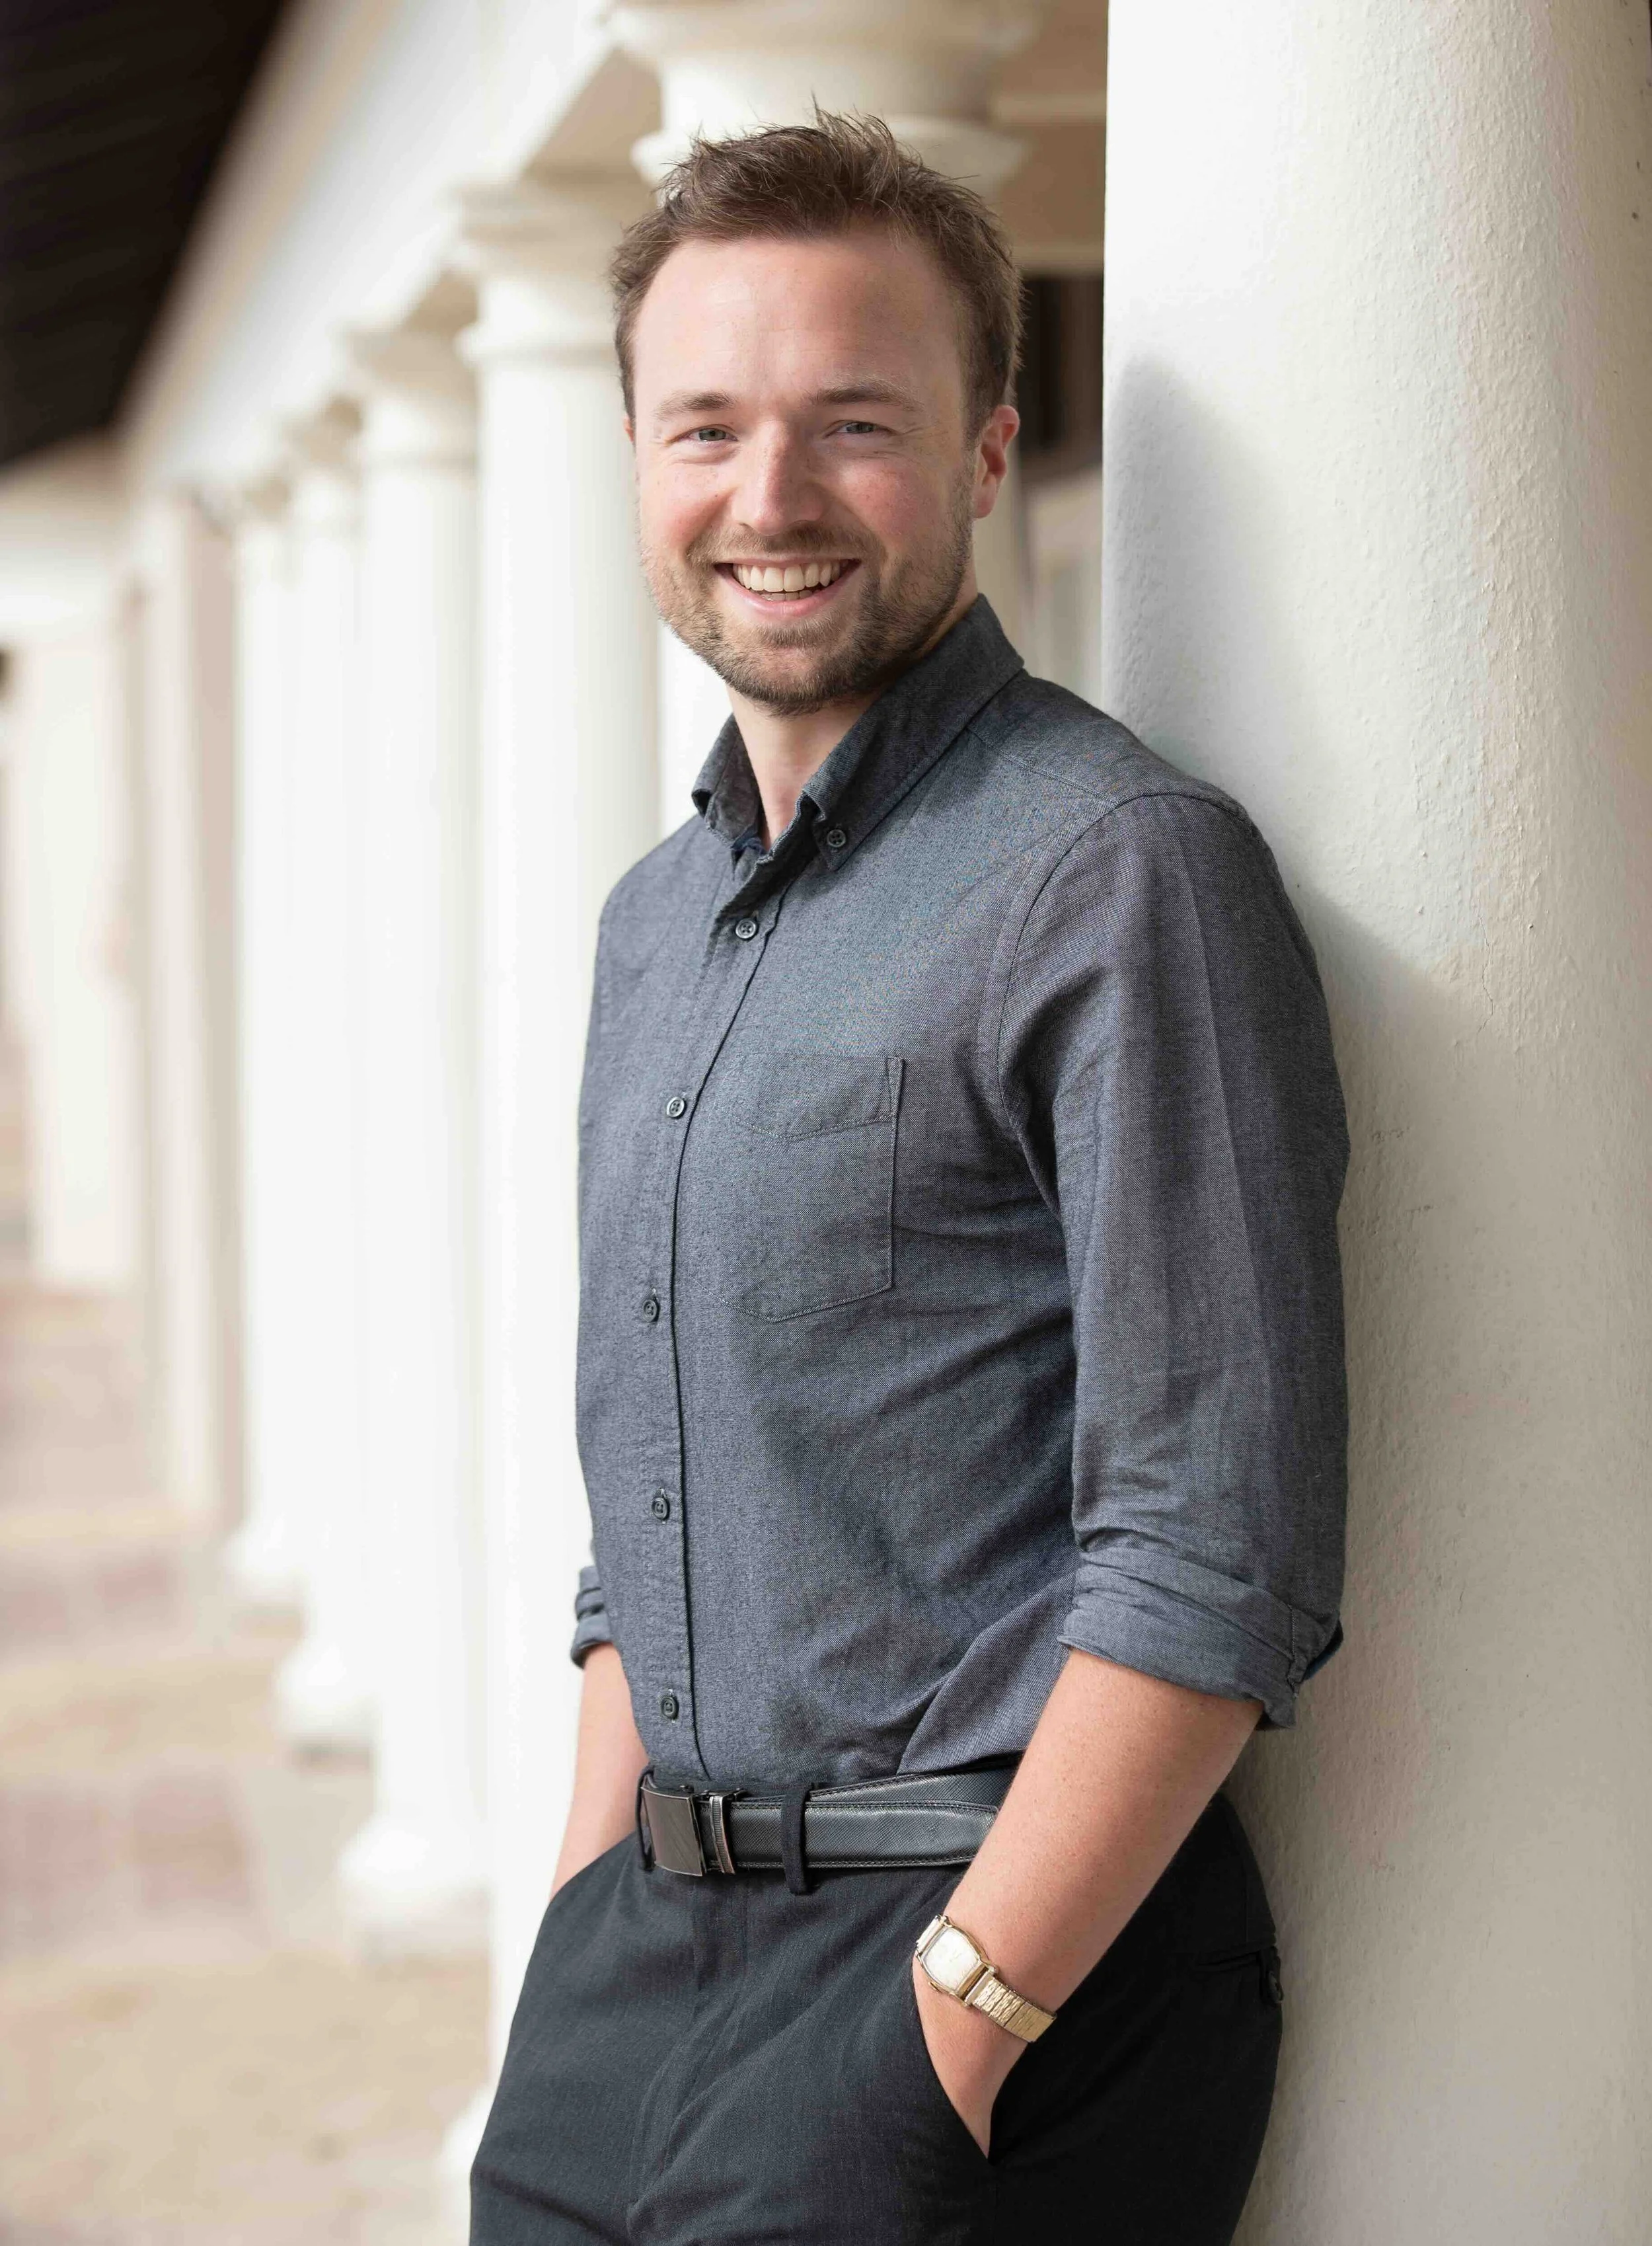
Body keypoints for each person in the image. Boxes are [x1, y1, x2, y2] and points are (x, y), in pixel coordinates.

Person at [471, 114, 1347, 2246]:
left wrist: (952, 2022)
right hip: (637, 1972)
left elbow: (1212, 1550)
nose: (764, 499)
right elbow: (651, 1509)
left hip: (962, 1975)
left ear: (980, 451)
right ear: (635, 462)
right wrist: (584, 1916)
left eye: (850, 424)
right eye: (703, 427)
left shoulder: (1117, 873)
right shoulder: (648, 926)